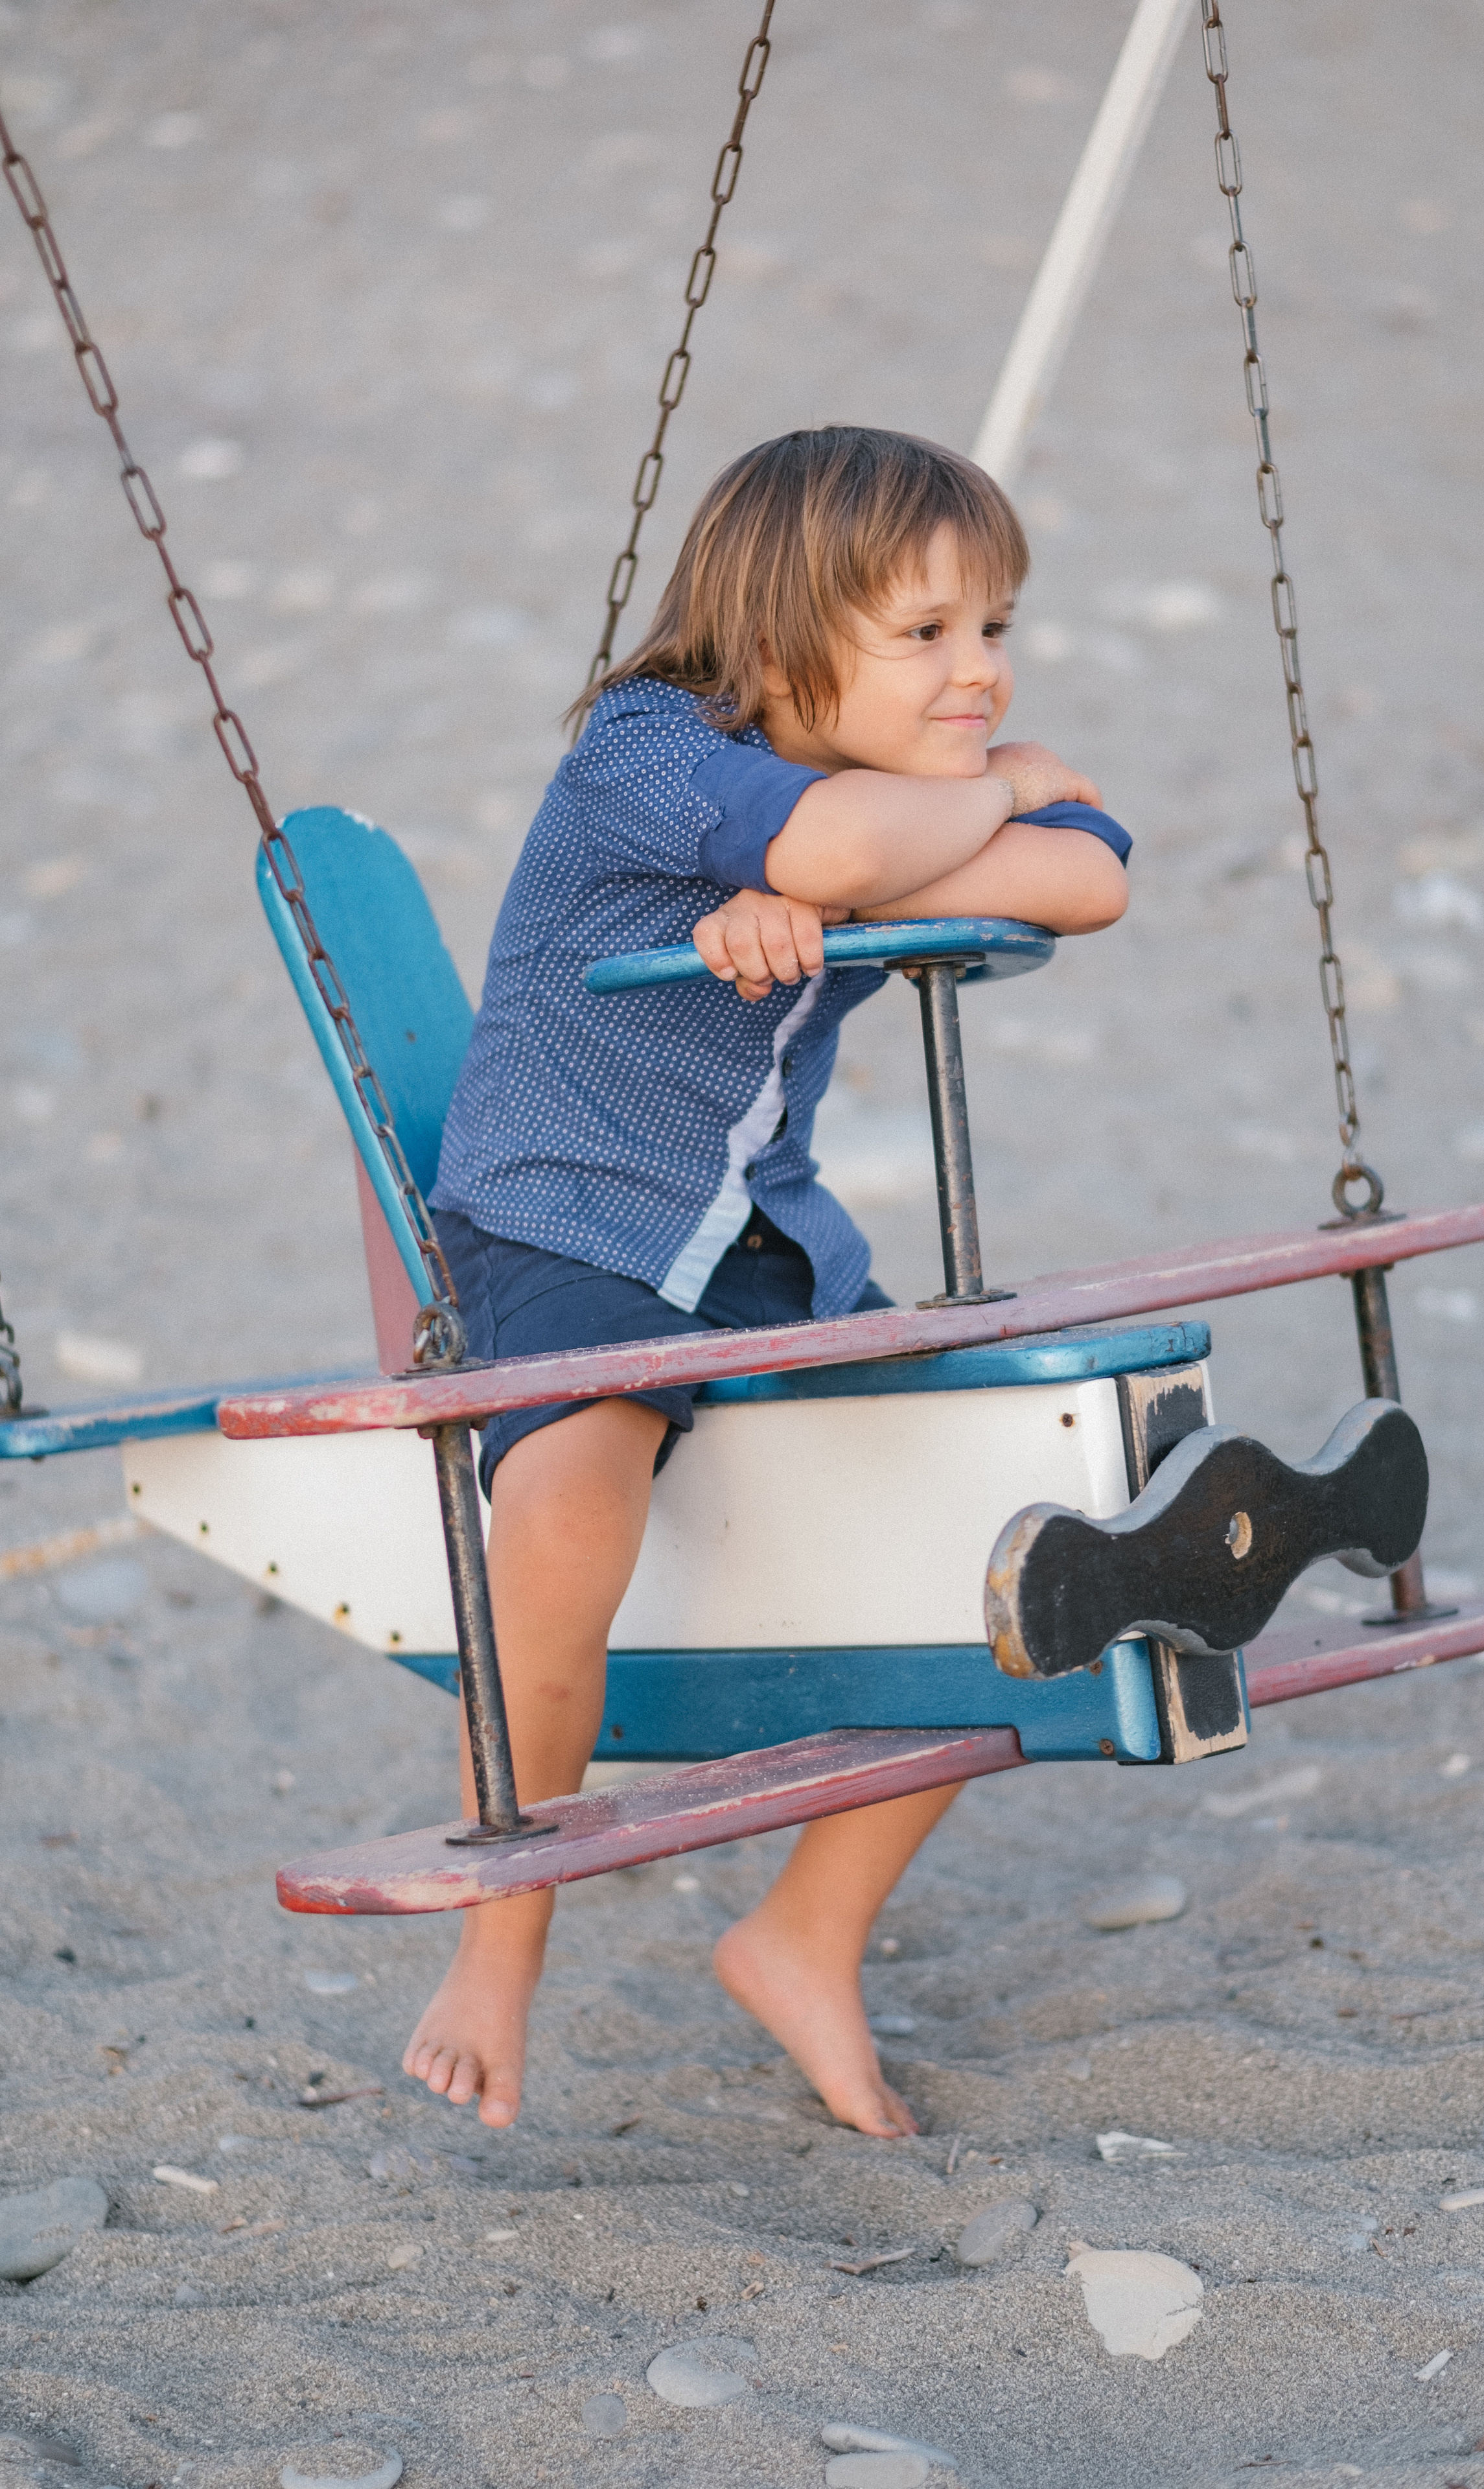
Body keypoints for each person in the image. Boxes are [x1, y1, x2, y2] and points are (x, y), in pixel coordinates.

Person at [405, 425, 1131, 2138]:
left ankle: (804, 1934)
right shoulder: (648, 750)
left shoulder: (864, 798)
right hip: (567, 1218)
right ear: (778, 646)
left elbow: (1092, 872)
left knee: (1009, 1535)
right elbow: (838, 852)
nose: (979, 674)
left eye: (995, 629)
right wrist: (977, 804)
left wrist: (896, 850)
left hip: (762, 1242)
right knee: (568, 1517)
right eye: (925, 634)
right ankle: (499, 1945)